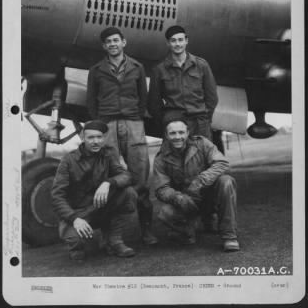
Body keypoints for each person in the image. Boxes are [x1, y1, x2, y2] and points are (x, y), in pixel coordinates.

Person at [86, 27, 157, 245]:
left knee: (141, 180)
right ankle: (111, 235)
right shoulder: (96, 71)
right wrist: (101, 124)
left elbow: (143, 98)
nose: (113, 44)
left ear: (124, 42)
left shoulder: (137, 67)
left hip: (134, 123)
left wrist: (136, 118)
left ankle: (146, 230)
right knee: (108, 178)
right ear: (104, 46)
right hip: (108, 125)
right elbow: (91, 102)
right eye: (108, 41)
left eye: (116, 40)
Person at [51, 120, 138, 262]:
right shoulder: (68, 160)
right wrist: (74, 219)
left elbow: (127, 176)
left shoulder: (107, 156)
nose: (95, 141)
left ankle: (114, 240)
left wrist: (108, 182)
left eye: (99, 137)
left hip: (99, 207)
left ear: (104, 138)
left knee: (128, 193)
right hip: (78, 213)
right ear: (82, 138)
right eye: (91, 137)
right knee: (77, 244)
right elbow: (57, 196)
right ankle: (77, 247)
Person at [153, 112, 240, 252]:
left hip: (208, 195)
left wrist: (200, 181)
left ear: (188, 132)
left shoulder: (202, 143)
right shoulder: (160, 158)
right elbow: (161, 188)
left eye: (181, 132)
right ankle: (187, 230)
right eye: (173, 133)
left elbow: (222, 163)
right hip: (187, 201)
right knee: (166, 212)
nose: (177, 137)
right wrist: (177, 197)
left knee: (226, 182)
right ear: (166, 135)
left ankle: (229, 236)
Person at [148, 25, 218, 141]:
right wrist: (167, 121)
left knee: (201, 157)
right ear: (168, 43)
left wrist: (205, 118)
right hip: (175, 126)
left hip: (200, 125)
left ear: (186, 41)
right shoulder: (159, 70)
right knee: (175, 158)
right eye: (173, 41)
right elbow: (154, 103)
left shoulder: (201, 65)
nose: (177, 44)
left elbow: (212, 97)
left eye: (180, 40)